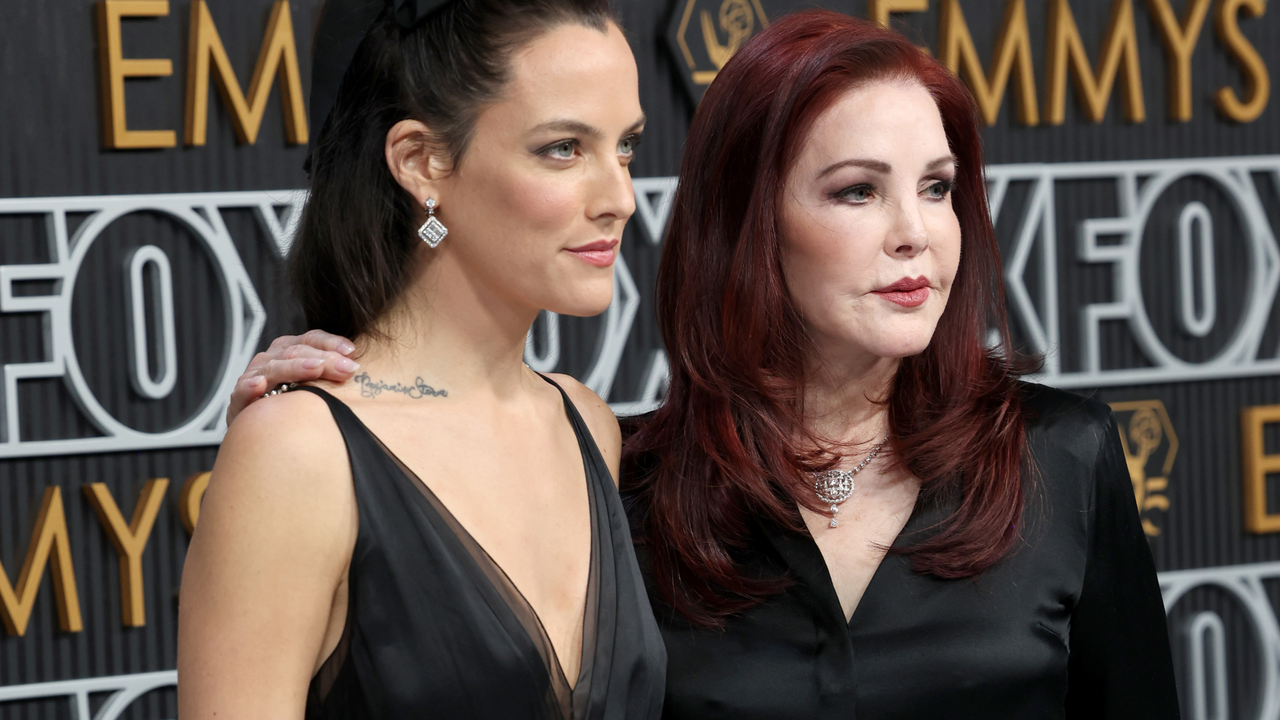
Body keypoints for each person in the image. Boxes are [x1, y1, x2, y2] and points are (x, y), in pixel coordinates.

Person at [229, 10, 1180, 719]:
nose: (916, 234)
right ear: (751, 222)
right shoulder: (633, 474)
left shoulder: (1066, 457)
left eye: (938, 188)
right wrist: (316, 420)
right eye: (857, 191)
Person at [177, 1, 665, 718]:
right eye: (563, 148)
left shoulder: (588, 424)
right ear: (420, 162)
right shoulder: (299, 455)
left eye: (625, 146)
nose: (619, 196)